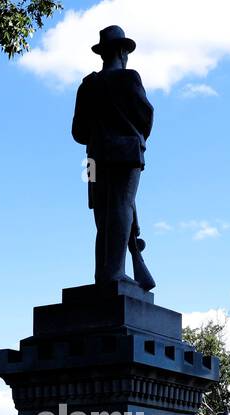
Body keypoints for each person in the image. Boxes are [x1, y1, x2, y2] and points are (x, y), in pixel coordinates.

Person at [72, 25, 155, 289]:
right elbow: (146, 118)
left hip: (93, 160)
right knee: (121, 207)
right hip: (127, 154)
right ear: (121, 51)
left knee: (103, 217)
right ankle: (115, 273)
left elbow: (78, 132)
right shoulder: (130, 78)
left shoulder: (87, 86)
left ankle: (104, 274)